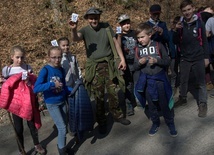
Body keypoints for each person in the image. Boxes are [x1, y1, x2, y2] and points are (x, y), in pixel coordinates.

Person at [69, 7, 131, 134]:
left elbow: (116, 44)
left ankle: (118, 116)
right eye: (91, 18)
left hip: (109, 65)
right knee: (99, 96)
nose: (94, 20)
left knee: (113, 92)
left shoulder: (106, 27)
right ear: (87, 19)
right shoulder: (85, 30)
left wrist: (122, 59)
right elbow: (76, 38)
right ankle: (101, 121)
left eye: (96, 17)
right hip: (95, 67)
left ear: (99, 18)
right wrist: (73, 29)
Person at [133, 23, 177, 137]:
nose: (140, 40)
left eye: (142, 37)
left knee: (164, 103)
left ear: (150, 35)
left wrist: (157, 61)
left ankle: (170, 123)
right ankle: (155, 123)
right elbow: (134, 67)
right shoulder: (137, 49)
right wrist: (139, 63)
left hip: (159, 80)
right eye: (138, 38)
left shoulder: (158, 45)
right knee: (151, 105)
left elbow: (167, 61)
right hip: (146, 82)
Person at [0, 45, 45, 155]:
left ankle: (37, 144)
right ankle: (22, 149)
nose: (20, 60)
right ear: (12, 57)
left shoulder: (27, 67)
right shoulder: (7, 70)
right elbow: (5, 85)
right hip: (15, 103)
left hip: (28, 101)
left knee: (32, 124)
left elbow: (34, 82)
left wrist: (30, 81)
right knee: (18, 128)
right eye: (17, 57)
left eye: (22, 57)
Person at [173, 0, 209, 117]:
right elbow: (175, 41)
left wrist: (206, 57)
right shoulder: (180, 24)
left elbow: (205, 41)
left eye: (189, 9)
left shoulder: (199, 23)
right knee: (183, 80)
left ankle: (203, 103)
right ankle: (182, 98)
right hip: (185, 57)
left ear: (193, 9)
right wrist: (175, 31)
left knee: (201, 82)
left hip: (198, 57)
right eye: (184, 11)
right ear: (181, 12)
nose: (187, 12)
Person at [33, 47, 68, 155]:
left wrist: (74, 89)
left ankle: (63, 147)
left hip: (62, 101)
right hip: (52, 103)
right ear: (49, 57)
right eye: (53, 57)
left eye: (59, 57)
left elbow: (64, 86)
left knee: (65, 125)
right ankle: (62, 150)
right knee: (62, 128)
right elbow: (36, 88)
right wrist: (52, 84)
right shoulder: (46, 70)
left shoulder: (61, 69)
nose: (57, 60)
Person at [116, 14, 137, 116]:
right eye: (124, 24)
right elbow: (118, 47)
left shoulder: (134, 33)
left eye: (128, 23)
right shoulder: (119, 36)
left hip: (136, 62)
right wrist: (119, 36)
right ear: (120, 26)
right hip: (126, 64)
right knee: (128, 85)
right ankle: (129, 104)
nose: (126, 25)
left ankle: (139, 100)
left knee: (138, 82)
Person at [168, 16, 181, 94]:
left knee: (177, 71)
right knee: (173, 72)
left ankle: (177, 85)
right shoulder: (169, 33)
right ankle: (173, 87)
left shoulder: (180, 33)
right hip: (171, 55)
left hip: (178, 55)